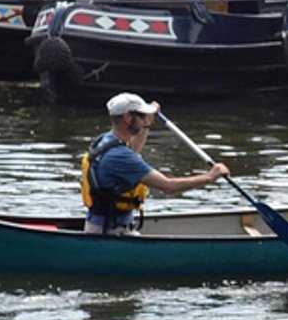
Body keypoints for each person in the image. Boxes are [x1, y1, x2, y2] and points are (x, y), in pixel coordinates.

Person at [81, 92, 229, 235]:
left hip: (105, 226)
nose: (145, 120)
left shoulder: (105, 141)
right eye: (142, 116)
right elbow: (168, 186)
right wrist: (210, 177)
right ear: (127, 117)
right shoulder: (120, 156)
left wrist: (147, 122)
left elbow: (135, 149)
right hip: (110, 232)